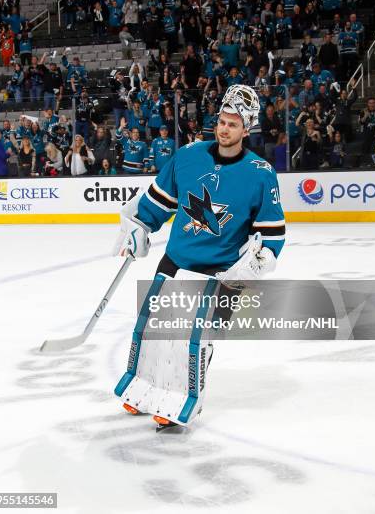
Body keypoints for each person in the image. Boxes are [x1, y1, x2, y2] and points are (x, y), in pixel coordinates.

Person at [112, 84, 285, 431]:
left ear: (246, 129)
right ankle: (143, 388)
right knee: (150, 331)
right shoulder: (188, 156)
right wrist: (138, 228)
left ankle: (180, 400)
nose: (224, 129)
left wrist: (262, 259)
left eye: (233, 124)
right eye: (222, 121)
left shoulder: (261, 174)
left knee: (194, 341)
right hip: (177, 260)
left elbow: (273, 234)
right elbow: (156, 203)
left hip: (222, 273)